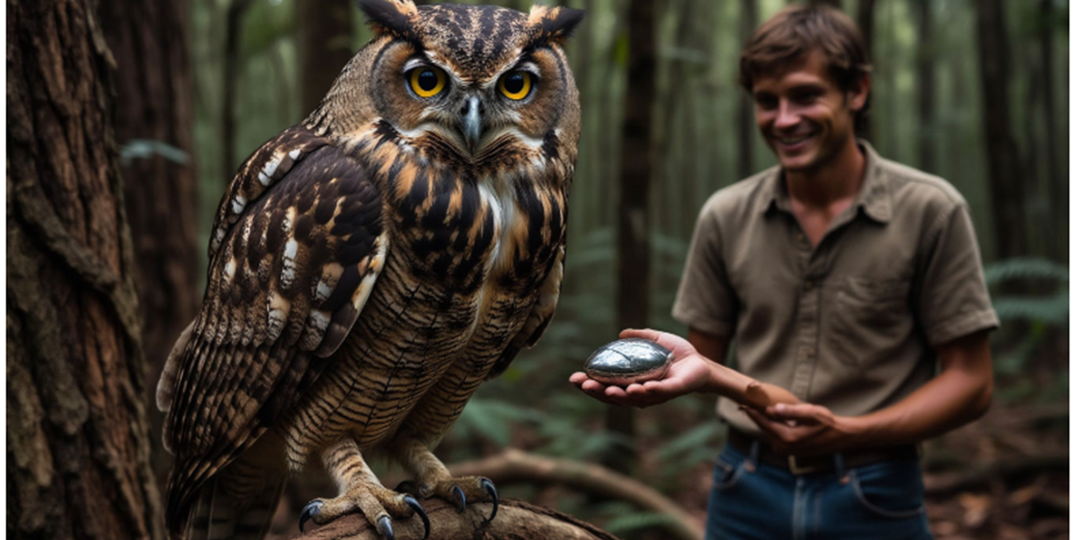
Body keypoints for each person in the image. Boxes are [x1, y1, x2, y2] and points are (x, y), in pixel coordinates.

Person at [571, 4, 998, 540]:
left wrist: (848, 432)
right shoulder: (725, 216)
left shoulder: (932, 211)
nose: (784, 119)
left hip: (877, 490)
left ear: (857, 91)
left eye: (805, 95)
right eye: (766, 101)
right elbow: (706, 363)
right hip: (744, 488)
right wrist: (694, 377)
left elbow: (971, 381)